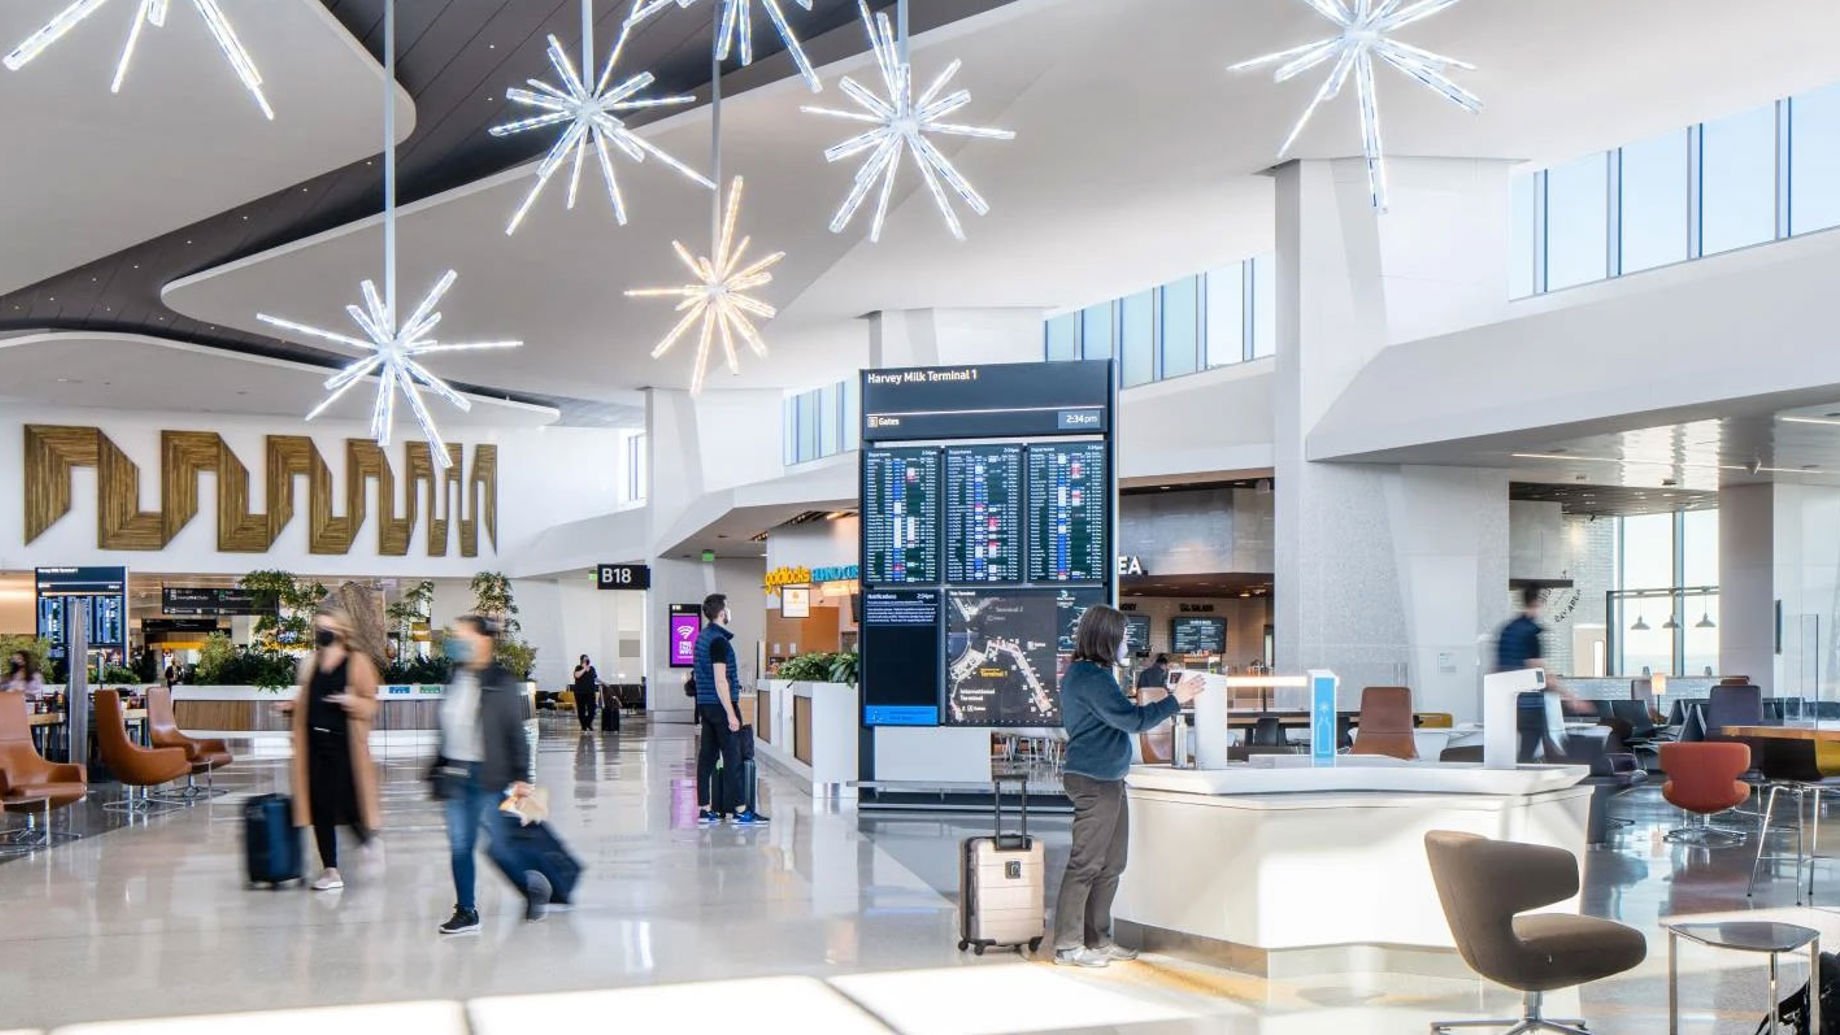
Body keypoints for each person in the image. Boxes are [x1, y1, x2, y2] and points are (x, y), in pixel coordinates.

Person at [1052, 604, 1203, 968]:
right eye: (1122, 637)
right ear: (1107, 638)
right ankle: (1068, 945)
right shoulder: (1090, 678)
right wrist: (1175, 700)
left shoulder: (1095, 675)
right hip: (1094, 780)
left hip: (1109, 778)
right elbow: (1133, 720)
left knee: (1111, 864)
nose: (1126, 644)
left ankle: (1098, 939)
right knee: (1086, 863)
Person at [433, 615, 550, 934]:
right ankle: (466, 910)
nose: (456, 642)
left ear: (483, 641)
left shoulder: (502, 680)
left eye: (463, 636)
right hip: (455, 774)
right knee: (461, 845)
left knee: (499, 846)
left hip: (489, 775)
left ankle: (532, 889)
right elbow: (446, 725)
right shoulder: (456, 674)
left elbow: (515, 731)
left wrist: (524, 778)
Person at [288, 605, 382, 893]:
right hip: (314, 746)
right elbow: (307, 700)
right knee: (320, 807)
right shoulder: (311, 664)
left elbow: (370, 702)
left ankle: (367, 839)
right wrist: (291, 707)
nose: (322, 634)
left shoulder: (357, 663)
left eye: (327, 628)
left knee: (347, 801)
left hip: (345, 745)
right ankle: (330, 869)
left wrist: (352, 702)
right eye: (319, 628)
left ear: (341, 631)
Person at [693, 593, 766, 826]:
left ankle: (705, 809)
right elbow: (720, 680)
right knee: (733, 757)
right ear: (722, 614)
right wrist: (731, 713)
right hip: (721, 704)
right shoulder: (718, 641)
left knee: (707, 757)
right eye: (728, 608)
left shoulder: (702, 637)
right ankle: (741, 810)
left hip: (705, 705)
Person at [571, 654, 599, 733]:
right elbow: (577, 676)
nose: (587, 661)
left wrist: (603, 682)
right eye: (585, 659)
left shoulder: (592, 668)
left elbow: (595, 678)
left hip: (590, 691)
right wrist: (584, 668)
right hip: (580, 692)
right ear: (581, 660)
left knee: (592, 709)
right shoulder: (578, 668)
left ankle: (588, 723)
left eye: (588, 659)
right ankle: (583, 726)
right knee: (581, 710)